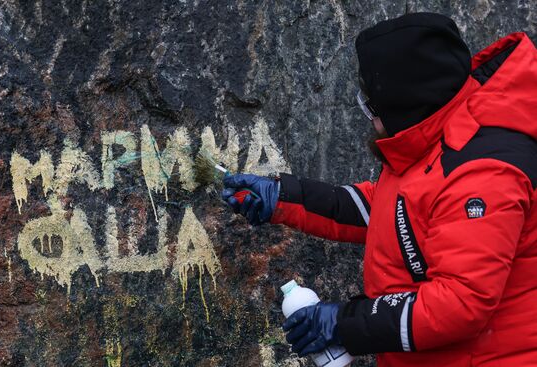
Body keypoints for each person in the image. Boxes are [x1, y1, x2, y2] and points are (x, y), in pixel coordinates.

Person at [221, 12, 537, 367]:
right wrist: (284, 198)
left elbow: (460, 303)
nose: (370, 118)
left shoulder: (483, 171)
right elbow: (390, 210)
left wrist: (345, 324)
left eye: (372, 105)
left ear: (408, 103)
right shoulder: (440, 139)